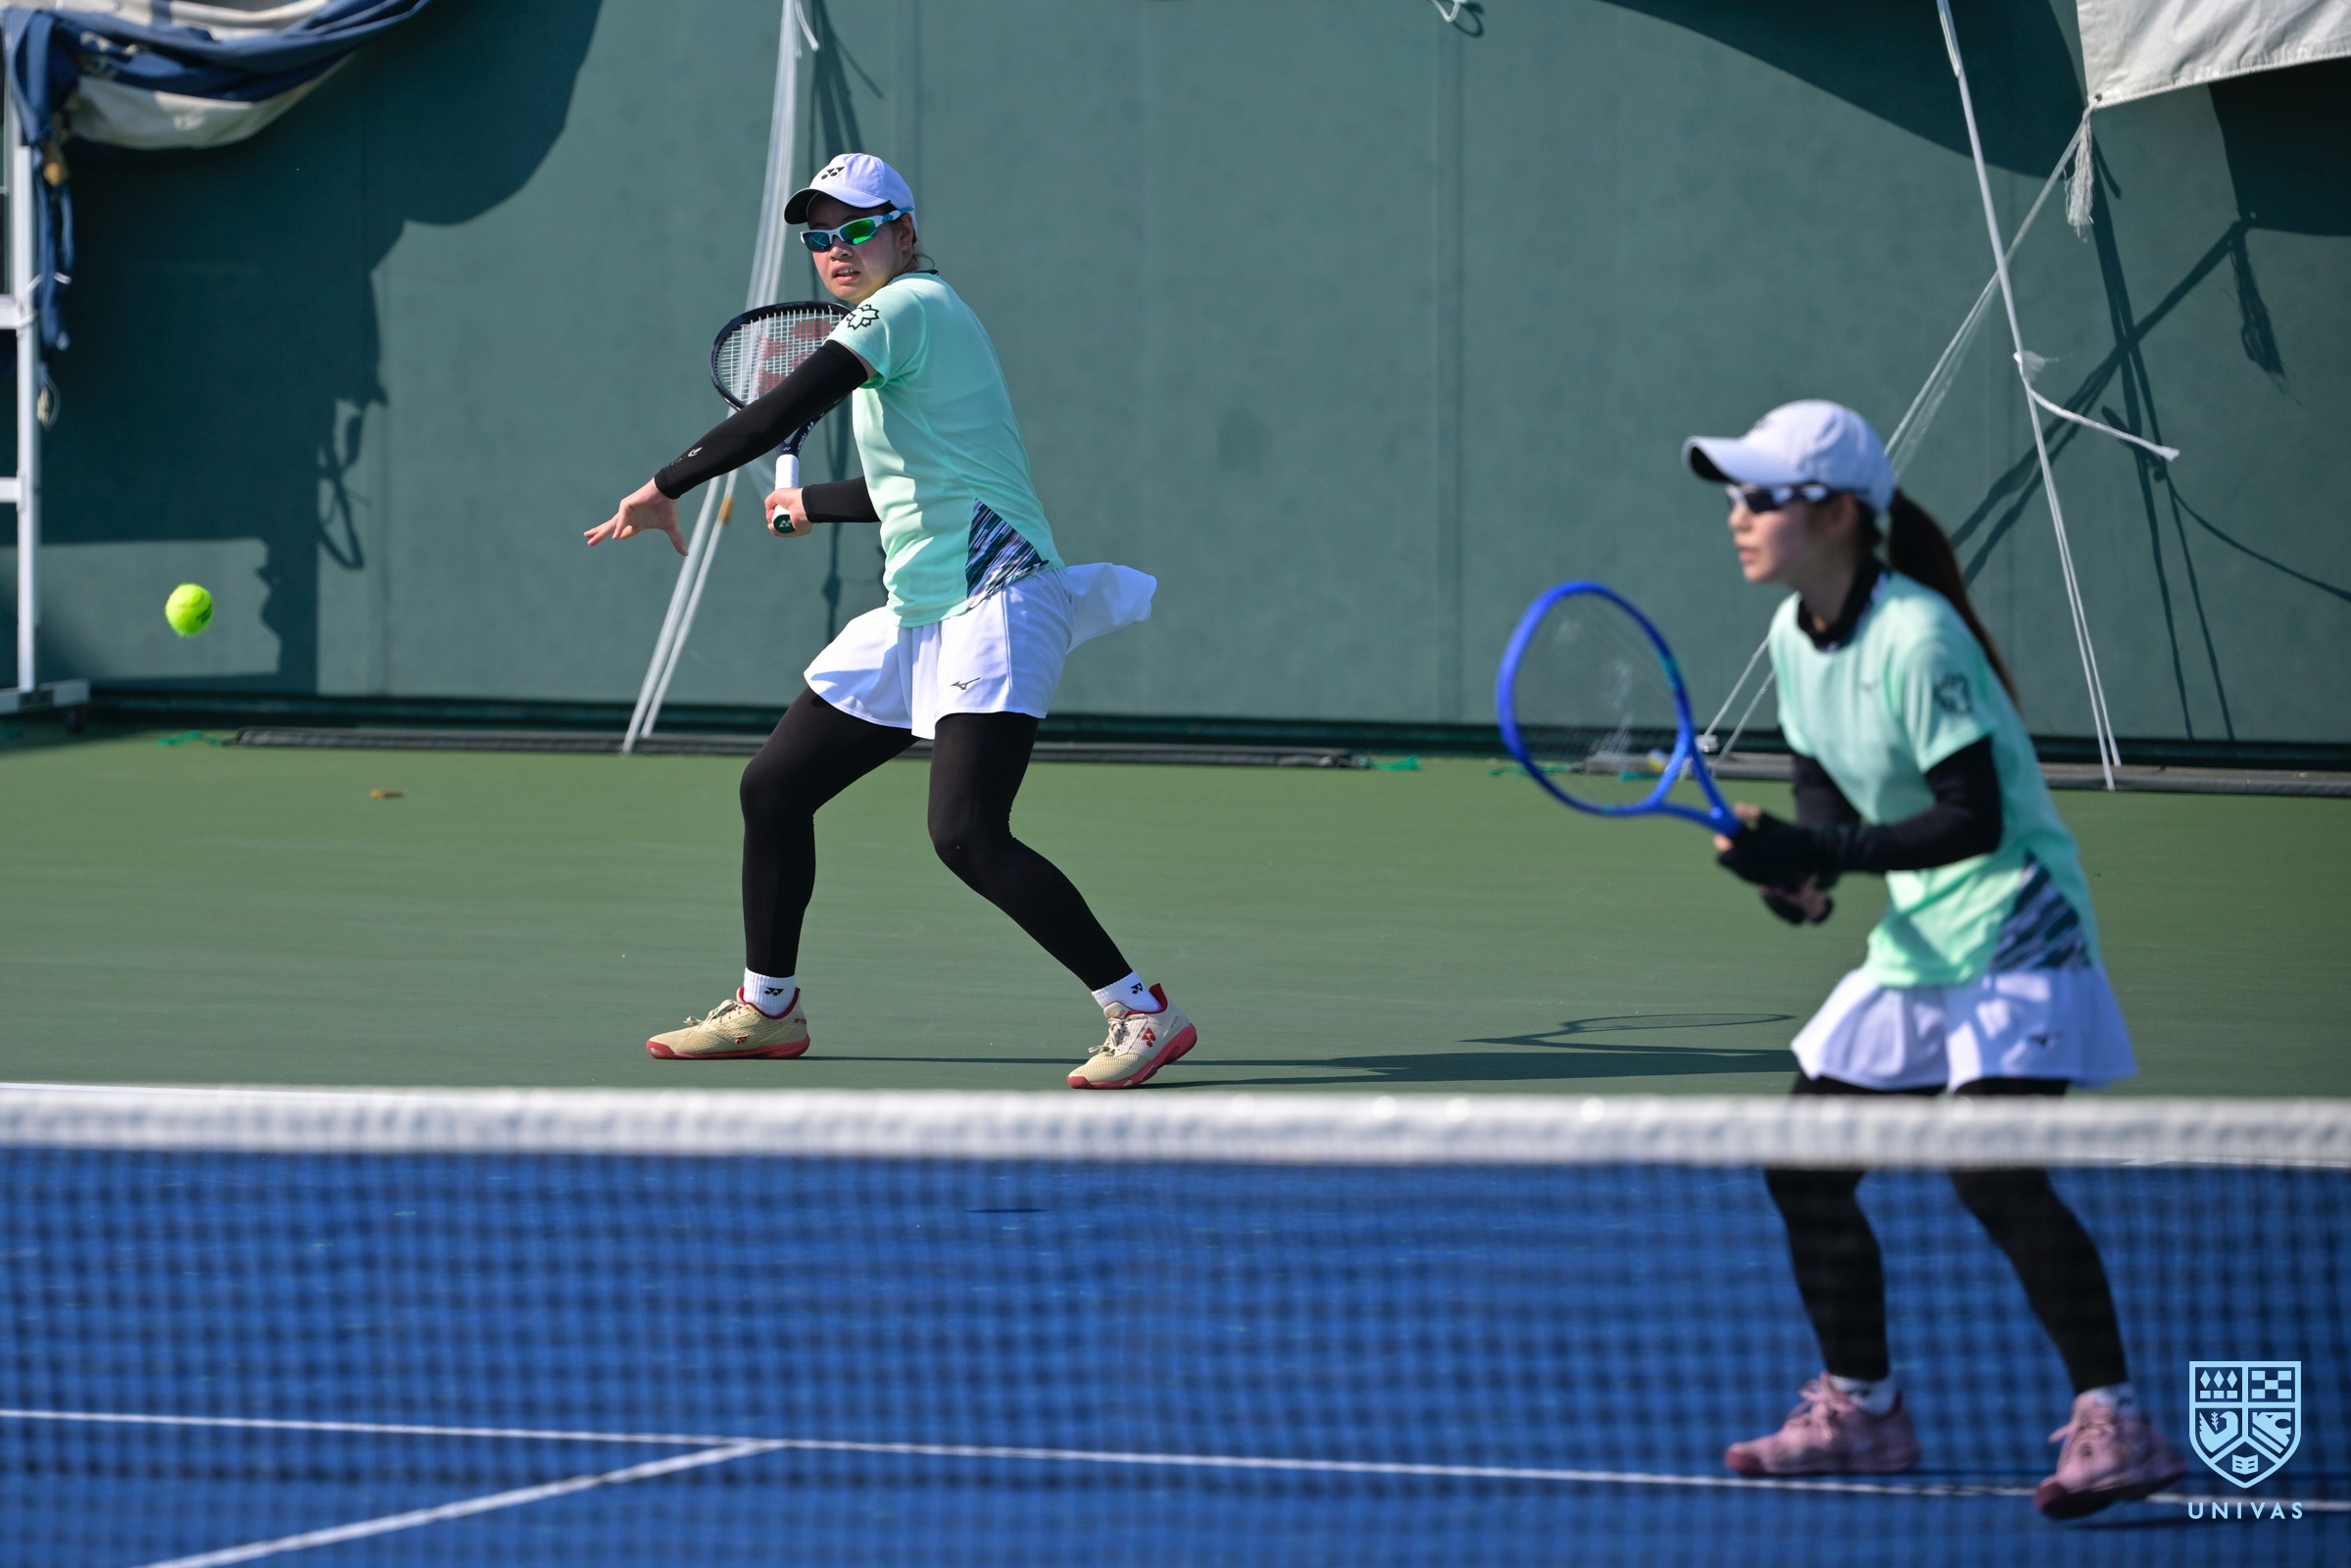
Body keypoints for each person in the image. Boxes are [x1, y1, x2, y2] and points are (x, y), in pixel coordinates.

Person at [586, 153, 1196, 1091]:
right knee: (774, 790)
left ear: (905, 232)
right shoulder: (907, 328)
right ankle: (768, 1009)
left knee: (967, 833)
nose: (837, 250)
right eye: (818, 237)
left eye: (858, 229)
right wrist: (811, 503)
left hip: (995, 598)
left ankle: (1141, 1011)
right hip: (918, 610)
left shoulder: (909, 306)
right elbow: (913, 487)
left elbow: (772, 417)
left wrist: (664, 485)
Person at [1685, 401, 2185, 1518]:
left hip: (2016, 919)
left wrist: (1813, 848)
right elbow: (1823, 794)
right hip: (1921, 934)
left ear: (1834, 513)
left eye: (1758, 496)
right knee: (1803, 1163)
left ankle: (2117, 1424)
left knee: (1991, 1171)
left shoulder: (1916, 635)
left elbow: (1970, 815)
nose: (1736, 514)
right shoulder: (1792, 636)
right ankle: (1863, 1412)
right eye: (1734, 494)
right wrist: (1795, 878)